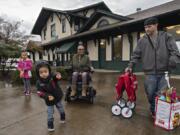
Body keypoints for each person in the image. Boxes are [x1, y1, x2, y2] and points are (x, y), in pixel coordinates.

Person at [126, 17, 180, 118]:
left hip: (165, 73)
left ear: (156, 25)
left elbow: (175, 52)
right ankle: (153, 109)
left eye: (149, 26)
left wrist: (172, 61)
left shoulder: (166, 37)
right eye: (145, 27)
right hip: (149, 73)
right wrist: (130, 66)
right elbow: (136, 55)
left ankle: (158, 113)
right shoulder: (142, 40)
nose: (146, 29)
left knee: (162, 94)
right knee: (150, 93)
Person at [35, 61, 65, 132]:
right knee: (49, 113)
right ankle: (50, 125)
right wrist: (47, 96)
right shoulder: (39, 82)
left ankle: (62, 117)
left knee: (60, 108)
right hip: (49, 100)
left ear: (49, 71)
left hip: (57, 97)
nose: (44, 74)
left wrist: (57, 75)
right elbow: (39, 92)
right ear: (38, 73)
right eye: (41, 72)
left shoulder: (52, 77)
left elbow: (55, 75)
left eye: (45, 71)